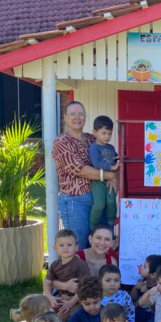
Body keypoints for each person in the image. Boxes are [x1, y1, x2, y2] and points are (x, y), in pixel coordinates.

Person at [52, 101, 119, 250]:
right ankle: (77, 273)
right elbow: (79, 169)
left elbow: (113, 159)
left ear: (85, 117)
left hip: (98, 197)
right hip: (76, 201)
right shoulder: (61, 141)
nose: (77, 117)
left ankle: (95, 274)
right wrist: (109, 175)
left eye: (81, 114)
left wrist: (115, 176)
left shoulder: (92, 138)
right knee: (79, 244)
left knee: (98, 246)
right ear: (65, 117)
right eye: (73, 114)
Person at [44, 229, 90, 318]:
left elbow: (85, 287)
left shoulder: (80, 264)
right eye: (61, 245)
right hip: (59, 297)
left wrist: (70, 303)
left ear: (76, 247)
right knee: (43, 312)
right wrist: (50, 297)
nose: (65, 248)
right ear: (55, 248)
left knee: (60, 317)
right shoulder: (55, 264)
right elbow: (46, 282)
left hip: (77, 300)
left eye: (69, 245)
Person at [88, 116, 119, 231]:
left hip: (110, 181)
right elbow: (96, 163)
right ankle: (93, 225)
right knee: (99, 204)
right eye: (104, 133)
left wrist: (119, 158)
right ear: (95, 132)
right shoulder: (94, 147)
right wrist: (111, 167)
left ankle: (111, 222)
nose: (107, 137)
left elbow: (115, 157)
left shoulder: (111, 147)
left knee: (111, 201)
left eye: (109, 134)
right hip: (98, 180)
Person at [131, 254, 161, 322]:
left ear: (153, 275)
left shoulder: (159, 288)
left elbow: (158, 308)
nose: (141, 267)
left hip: (151, 315)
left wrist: (146, 292)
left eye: (144, 267)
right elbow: (132, 298)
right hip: (138, 312)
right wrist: (135, 288)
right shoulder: (142, 281)